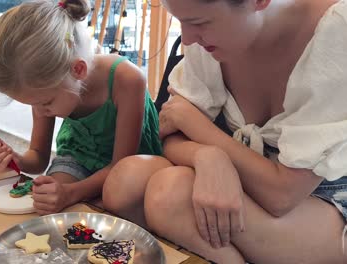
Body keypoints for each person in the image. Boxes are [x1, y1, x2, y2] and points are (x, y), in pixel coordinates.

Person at [103, 0, 347, 263]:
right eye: (180, 21)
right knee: (126, 182)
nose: (186, 38)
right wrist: (207, 156)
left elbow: (282, 195)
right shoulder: (207, 41)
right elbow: (170, 130)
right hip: (252, 173)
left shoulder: (337, 32)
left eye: (199, 23)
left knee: (170, 196)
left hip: (321, 197)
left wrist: (201, 130)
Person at [0, 0, 162, 215]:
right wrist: (14, 159)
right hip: (78, 157)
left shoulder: (128, 80)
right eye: (32, 105)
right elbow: (38, 157)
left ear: (77, 70)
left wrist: (71, 193)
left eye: (45, 103)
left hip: (126, 167)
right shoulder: (45, 87)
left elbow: (119, 166)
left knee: (114, 205)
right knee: (46, 202)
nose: (39, 111)